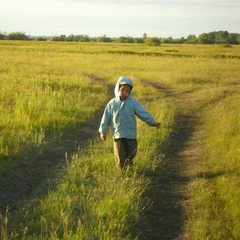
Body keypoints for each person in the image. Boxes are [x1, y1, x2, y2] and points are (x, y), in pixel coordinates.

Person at [99, 76, 160, 169]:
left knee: (131, 153)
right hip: (118, 134)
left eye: (127, 91)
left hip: (130, 134)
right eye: (122, 90)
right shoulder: (112, 103)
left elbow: (142, 112)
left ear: (129, 92)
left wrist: (152, 122)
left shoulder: (132, 103)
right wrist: (103, 132)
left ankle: (129, 163)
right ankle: (121, 172)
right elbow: (105, 118)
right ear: (118, 89)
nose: (124, 93)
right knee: (120, 155)